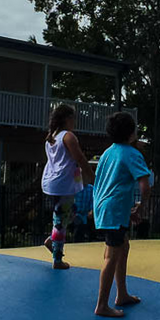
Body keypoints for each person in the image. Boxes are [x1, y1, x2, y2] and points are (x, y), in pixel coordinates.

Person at [93, 111, 151, 318]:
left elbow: (104, 184)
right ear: (131, 133)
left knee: (123, 246)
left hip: (106, 208)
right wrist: (140, 208)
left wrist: (125, 211)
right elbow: (145, 187)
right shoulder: (131, 153)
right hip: (114, 209)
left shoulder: (108, 153)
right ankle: (102, 305)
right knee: (111, 255)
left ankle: (122, 294)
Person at [42, 104, 95, 269]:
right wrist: (91, 176)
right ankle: (57, 259)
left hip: (54, 181)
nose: (75, 122)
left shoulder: (52, 136)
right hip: (63, 183)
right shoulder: (68, 136)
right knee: (61, 220)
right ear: (67, 119)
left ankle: (53, 239)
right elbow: (79, 158)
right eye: (73, 118)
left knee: (68, 213)